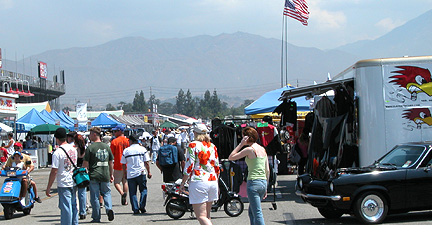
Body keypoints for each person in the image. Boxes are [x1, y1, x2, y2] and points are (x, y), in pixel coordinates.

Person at [180, 123, 220, 225]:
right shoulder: (213, 146)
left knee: (201, 216)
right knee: (207, 215)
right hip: (212, 181)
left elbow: (189, 166)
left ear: (195, 133)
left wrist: (183, 183)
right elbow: (217, 166)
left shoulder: (193, 145)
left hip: (199, 181)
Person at [229, 126, 269, 225]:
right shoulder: (262, 149)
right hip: (263, 181)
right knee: (252, 211)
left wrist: (240, 144)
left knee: (257, 212)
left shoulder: (249, 150)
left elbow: (231, 157)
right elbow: (267, 169)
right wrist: (266, 186)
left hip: (253, 182)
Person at [46, 128, 78, 225]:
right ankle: (74, 223)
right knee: (73, 205)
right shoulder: (73, 149)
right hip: (73, 180)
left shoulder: (57, 152)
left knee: (65, 207)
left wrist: (49, 187)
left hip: (64, 182)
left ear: (56, 138)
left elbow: (54, 171)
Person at [82, 127, 115, 223]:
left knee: (95, 196)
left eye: (91, 134)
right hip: (105, 174)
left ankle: (96, 217)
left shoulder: (90, 148)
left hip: (94, 174)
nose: (89, 136)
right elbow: (110, 162)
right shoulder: (106, 147)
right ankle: (109, 209)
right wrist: (111, 174)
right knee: (107, 193)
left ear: (95, 134)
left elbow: (85, 164)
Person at [120, 134, 152, 214]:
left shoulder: (126, 150)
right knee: (143, 190)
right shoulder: (142, 149)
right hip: (141, 172)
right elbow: (146, 162)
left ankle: (135, 208)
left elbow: (123, 163)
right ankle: (142, 206)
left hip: (131, 173)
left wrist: (124, 173)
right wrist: (149, 172)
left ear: (130, 141)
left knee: (132, 192)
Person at [110, 124, 129, 205]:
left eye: (115, 131)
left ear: (119, 131)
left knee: (116, 182)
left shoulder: (114, 141)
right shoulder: (127, 141)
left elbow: (111, 154)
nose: (114, 133)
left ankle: (122, 193)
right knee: (125, 182)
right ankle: (125, 200)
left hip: (118, 164)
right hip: (127, 164)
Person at [74, 134, 88, 220]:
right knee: (82, 193)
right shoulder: (85, 150)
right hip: (83, 171)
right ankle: (83, 211)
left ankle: (76, 210)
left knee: (74, 192)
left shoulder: (74, 150)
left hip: (75, 171)